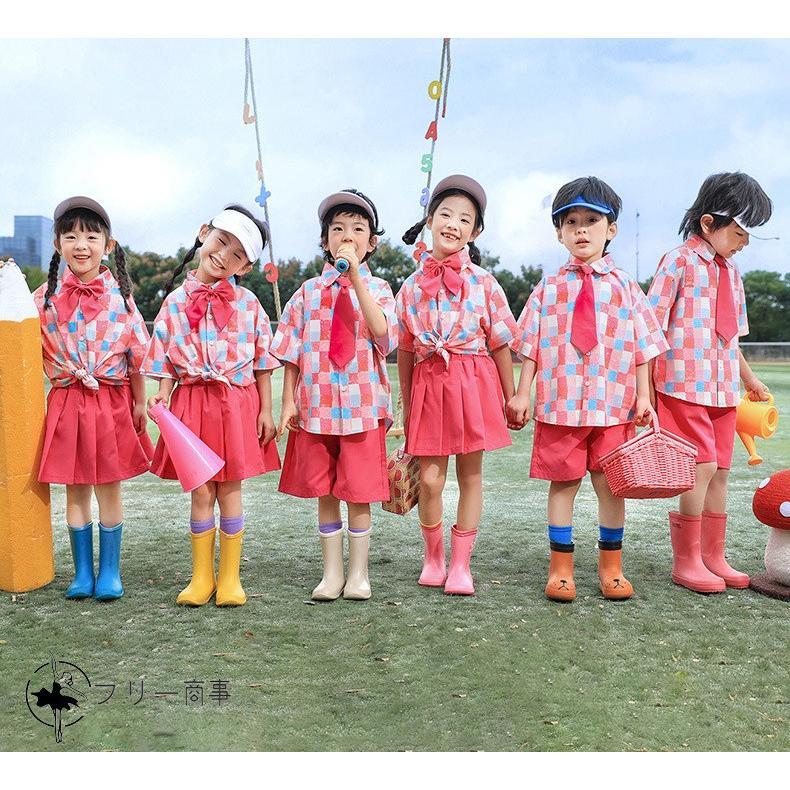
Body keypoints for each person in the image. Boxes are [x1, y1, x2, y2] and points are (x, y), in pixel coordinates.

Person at [509, 177, 668, 602]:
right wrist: (522, 393)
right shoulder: (548, 288)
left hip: (613, 407)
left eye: (591, 220)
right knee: (562, 485)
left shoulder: (626, 287)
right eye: (571, 222)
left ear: (611, 228)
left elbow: (642, 347)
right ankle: (560, 569)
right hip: (559, 406)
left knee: (611, 486)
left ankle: (611, 567)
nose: (581, 230)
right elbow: (530, 346)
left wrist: (644, 396)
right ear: (559, 232)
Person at [142, 205, 280, 607]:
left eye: (236, 254)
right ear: (204, 233)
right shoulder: (173, 302)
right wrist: (163, 393)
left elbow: (263, 362)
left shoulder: (249, 303)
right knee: (201, 491)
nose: (223, 256)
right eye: (220, 242)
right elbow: (165, 357)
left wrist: (266, 410)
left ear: (246, 266)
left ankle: (230, 578)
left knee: (230, 488)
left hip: (236, 403)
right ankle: (202, 577)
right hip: (191, 403)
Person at [648, 172, 772, 593]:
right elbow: (651, 328)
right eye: (739, 232)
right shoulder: (677, 262)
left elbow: (730, 337)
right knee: (699, 468)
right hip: (682, 386)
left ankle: (712, 555)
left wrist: (749, 379)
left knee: (720, 470)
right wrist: (645, 391)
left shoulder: (732, 273)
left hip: (723, 390)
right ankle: (686, 559)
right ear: (708, 223)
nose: (745, 242)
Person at [272, 189, 396, 601]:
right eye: (338, 229)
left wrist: (356, 279)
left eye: (358, 229)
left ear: (371, 243)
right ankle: (332, 573)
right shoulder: (307, 292)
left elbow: (383, 334)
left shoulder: (379, 288)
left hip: (363, 409)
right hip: (317, 408)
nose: (347, 236)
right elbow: (290, 352)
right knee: (325, 492)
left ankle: (359, 575)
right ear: (325, 240)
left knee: (359, 493)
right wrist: (288, 402)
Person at [397, 174, 518, 596]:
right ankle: (433, 558)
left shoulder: (485, 282)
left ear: (475, 231)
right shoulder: (410, 286)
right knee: (430, 480)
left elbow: (501, 343)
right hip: (430, 382)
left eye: (465, 219)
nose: (453, 224)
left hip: (474, 381)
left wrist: (512, 396)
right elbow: (406, 349)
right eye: (445, 214)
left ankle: (461, 565)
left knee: (471, 475)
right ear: (429, 220)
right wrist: (407, 405)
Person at [33, 196, 153, 600]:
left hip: (110, 402)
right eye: (70, 236)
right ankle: (83, 573)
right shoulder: (42, 299)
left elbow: (137, 356)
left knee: (108, 487)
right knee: (76, 488)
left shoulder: (122, 299)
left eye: (90, 236)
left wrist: (139, 402)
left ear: (108, 245)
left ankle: (110, 573)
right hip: (67, 401)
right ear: (57, 244)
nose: (81, 245)